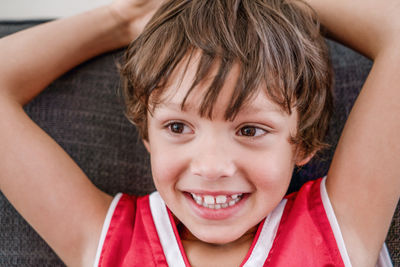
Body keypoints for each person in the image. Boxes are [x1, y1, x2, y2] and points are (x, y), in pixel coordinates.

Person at [0, 0, 398, 266]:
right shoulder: (111, 244)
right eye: (177, 127)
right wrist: (125, 19)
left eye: (250, 129)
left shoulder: (337, 228)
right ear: (146, 133)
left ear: (304, 141)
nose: (211, 167)